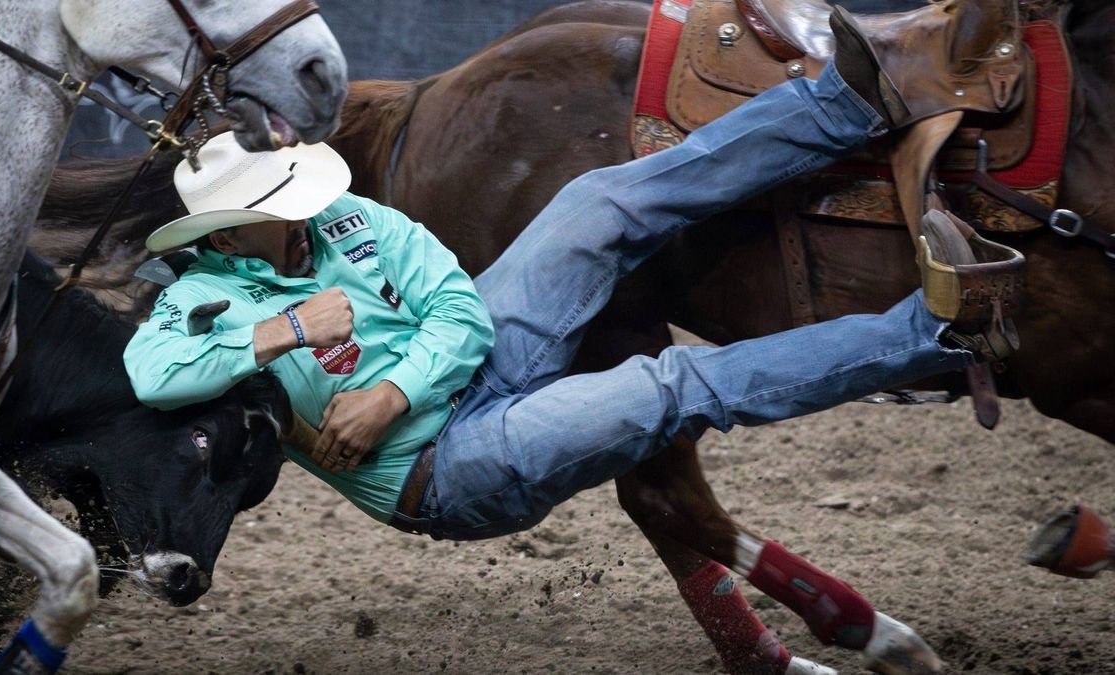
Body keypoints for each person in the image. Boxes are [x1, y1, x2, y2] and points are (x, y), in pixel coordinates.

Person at [124, 6, 1020, 674]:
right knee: (664, 386)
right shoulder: (204, 299)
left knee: (596, 205)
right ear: (227, 235)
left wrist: (394, 394)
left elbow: (462, 314)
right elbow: (151, 372)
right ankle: (940, 329)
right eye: (277, 204)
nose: (303, 205)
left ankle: (843, 104)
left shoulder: (349, 215)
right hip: (451, 471)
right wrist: (281, 332)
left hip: (469, 375)